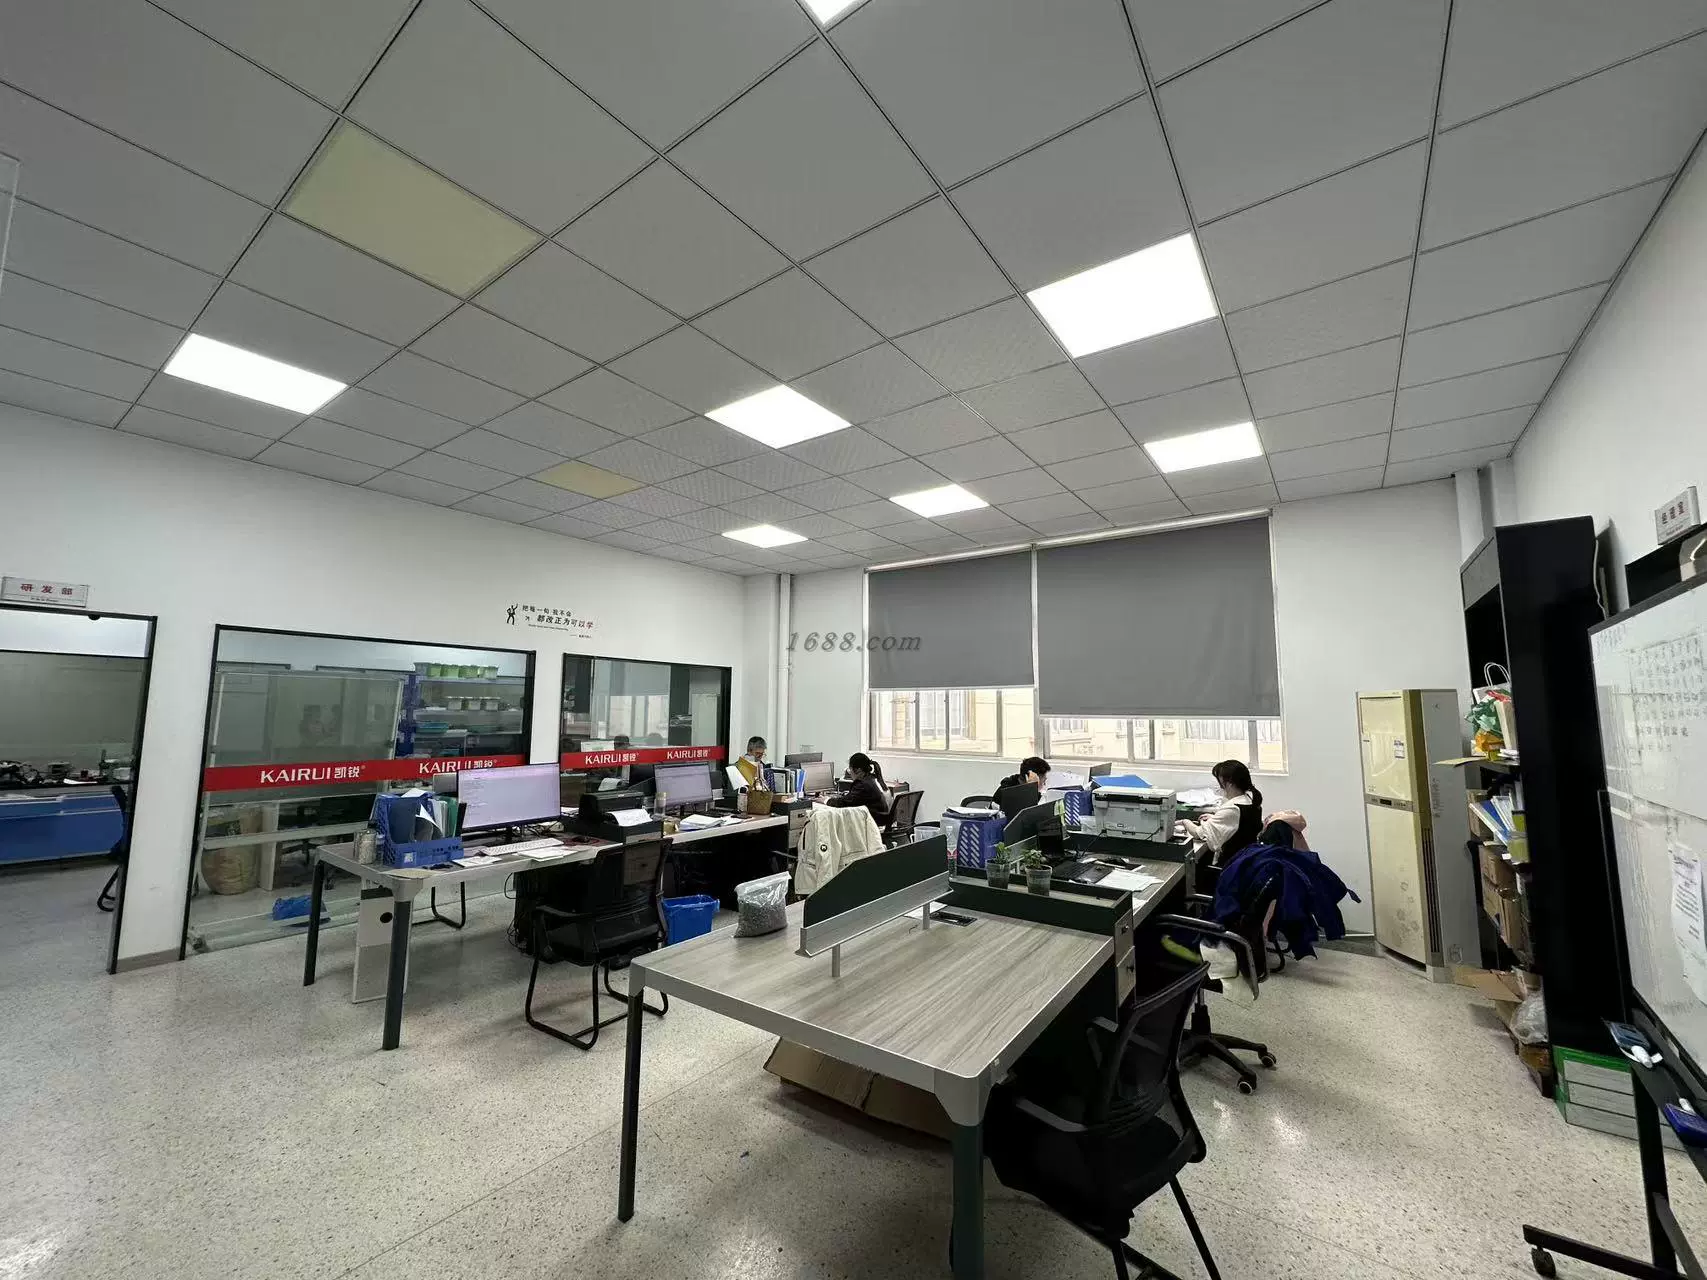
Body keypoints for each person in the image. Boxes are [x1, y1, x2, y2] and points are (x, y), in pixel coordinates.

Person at [1181, 759, 1264, 868]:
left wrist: (1185, 822)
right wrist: (1215, 818)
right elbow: (1236, 824)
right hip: (1244, 863)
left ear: (1229, 784)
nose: (1220, 786)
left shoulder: (1233, 809)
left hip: (1230, 866)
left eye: (1220, 782)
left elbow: (1198, 833)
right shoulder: (1250, 801)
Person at [828, 752, 890, 823]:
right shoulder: (873, 778)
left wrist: (826, 800)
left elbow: (844, 803)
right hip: (882, 818)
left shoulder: (862, 784)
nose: (850, 773)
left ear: (858, 770)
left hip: (874, 821)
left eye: (850, 769)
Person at [995, 756, 1050, 820]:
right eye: (1043, 781)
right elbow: (1025, 817)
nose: (1044, 784)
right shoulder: (1009, 792)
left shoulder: (1021, 789)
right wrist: (1031, 787)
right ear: (1030, 777)